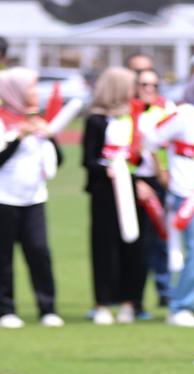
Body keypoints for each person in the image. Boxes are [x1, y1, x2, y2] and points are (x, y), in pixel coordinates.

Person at [145, 70, 194, 327]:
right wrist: (161, 168)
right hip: (186, 193)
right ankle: (181, 304)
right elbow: (151, 137)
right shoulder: (185, 114)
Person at [0, 67, 62, 328]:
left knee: (39, 250)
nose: (35, 93)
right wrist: (19, 137)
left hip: (34, 197)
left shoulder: (38, 119)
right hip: (4, 198)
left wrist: (49, 136)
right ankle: (6, 310)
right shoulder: (3, 120)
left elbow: (58, 159)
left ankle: (47, 307)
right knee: (3, 257)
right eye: (31, 87)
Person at [82, 67, 144, 326]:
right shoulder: (96, 120)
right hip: (105, 193)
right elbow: (88, 160)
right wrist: (109, 168)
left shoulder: (136, 118)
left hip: (134, 190)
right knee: (104, 247)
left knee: (133, 247)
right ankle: (102, 303)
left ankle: (130, 302)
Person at [133, 68, 172, 312]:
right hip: (137, 180)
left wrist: (164, 173)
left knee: (163, 238)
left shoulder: (166, 111)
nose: (149, 89)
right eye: (144, 84)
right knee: (139, 241)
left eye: (153, 85)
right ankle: (135, 297)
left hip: (162, 180)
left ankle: (165, 289)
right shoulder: (129, 113)